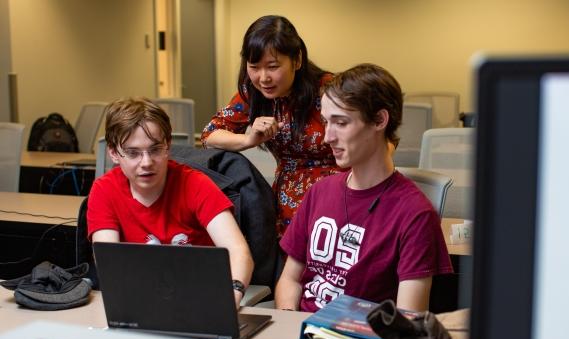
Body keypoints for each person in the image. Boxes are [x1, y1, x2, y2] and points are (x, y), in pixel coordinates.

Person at [275, 64, 453, 313]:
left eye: (341, 123)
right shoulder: (319, 192)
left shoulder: (415, 214)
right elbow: (290, 279)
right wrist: (289, 326)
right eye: (326, 122)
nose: (328, 137)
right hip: (299, 334)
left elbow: (407, 320)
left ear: (379, 120)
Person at [87, 97, 253, 308]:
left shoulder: (195, 184)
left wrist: (233, 294)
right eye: (132, 153)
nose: (146, 162)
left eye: (155, 149)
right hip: (141, 299)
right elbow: (109, 263)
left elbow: (238, 251)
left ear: (168, 146)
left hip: (201, 297)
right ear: (113, 153)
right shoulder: (104, 190)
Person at [201, 15, 341, 238]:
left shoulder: (329, 89)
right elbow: (209, 135)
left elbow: (379, 138)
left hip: (339, 191)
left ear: (297, 60)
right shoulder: (253, 92)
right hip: (287, 196)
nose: (263, 78)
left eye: (273, 67)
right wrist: (248, 140)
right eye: (254, 67)